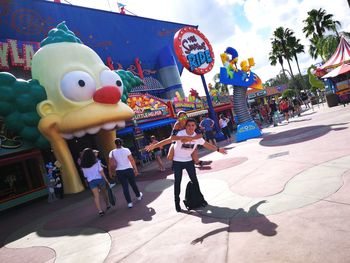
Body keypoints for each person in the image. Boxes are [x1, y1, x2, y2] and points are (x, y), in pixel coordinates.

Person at [169, 118, 227, 212]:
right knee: (177, 182)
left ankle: (201, 200)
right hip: (177, 161)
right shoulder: (180, 133)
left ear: (195, 127)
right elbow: (171, 138)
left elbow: (207, 144)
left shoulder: (197, 137)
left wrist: (218, 149)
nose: (191, 127)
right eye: (188, 125)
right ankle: (177, 203)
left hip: (188, 161)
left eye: (193, 125)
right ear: (185, 126)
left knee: (195, 181)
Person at [109, 138, 143, 208]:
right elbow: (131, 160)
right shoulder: (126, 150)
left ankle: (129, 203)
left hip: (119, 171)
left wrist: (111, 172)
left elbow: (110, 164)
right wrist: (135, 169)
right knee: (133, 184)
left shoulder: (112, 152)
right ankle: (138, 196)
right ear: (122, 143)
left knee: (125, 187)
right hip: (129, 169)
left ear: (115, 144)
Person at [80, 148, 111, 217]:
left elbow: (85, 175)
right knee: (104, 193)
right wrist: (106, 179)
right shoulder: (96, 161)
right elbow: (101, 171)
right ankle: (107, 205)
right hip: (99, 179)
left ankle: (100, 211)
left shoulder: (83, 165)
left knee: (96, 196)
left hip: (91, 181)